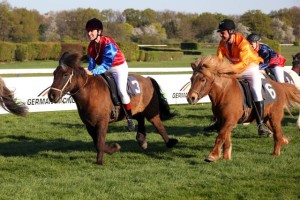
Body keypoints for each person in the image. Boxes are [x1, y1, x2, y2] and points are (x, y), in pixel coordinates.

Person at [206, 19, 269, 136]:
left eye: (222, 32)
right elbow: (219, 60)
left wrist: (228, 70)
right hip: (234, 67)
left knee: (256, 91)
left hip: (250, 67)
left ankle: (261, 124)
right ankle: (217, 121)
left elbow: (243, 64)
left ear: (231, 31)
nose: (220, 34)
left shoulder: (243, 43)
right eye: (220, 32)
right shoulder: (222, 43)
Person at [85, 18, 135, 132]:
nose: (89, 33)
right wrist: (87, 72)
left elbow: (106, 65)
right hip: (104, 68)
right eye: (88, 31)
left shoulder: (108, 42)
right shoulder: (91, 46)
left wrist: (92, 72)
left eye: (91, 31)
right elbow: (92, 66)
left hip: (118, 67)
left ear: (99, 31)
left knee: (122, 91)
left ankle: (129, 118)